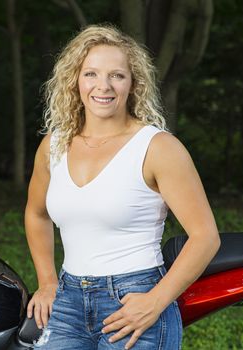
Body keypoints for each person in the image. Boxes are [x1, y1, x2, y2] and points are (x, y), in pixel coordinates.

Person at [24, 24, 220, 350]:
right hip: (68, 301)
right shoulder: (54, 145)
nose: (103, 86)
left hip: (134, 296)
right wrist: (47, 282)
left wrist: (155, 301)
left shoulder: (158, 148)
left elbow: (205, 237)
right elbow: (36, 213)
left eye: (117, 75)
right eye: (91, 74)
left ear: (133, 83)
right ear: (75, 80)